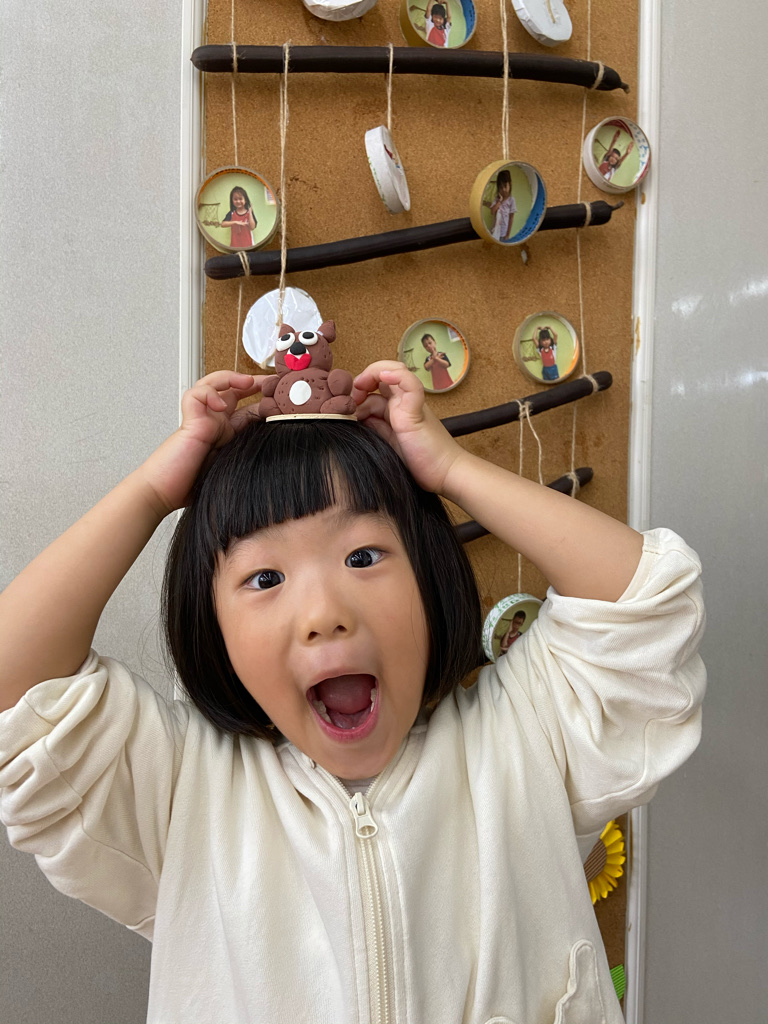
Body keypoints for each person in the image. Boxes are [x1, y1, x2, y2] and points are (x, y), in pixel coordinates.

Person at [0, 361, 706, 1024]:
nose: (324, 613)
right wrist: (152, 493)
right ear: (211, 624)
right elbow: (17, 690)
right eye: (265, 578)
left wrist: (452, 469)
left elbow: (645, 599)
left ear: (429, 577)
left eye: (363, 556)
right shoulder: (180, 791)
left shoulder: (527, 735)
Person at [483, 167, 517, 242]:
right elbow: (492, 212)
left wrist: (508, 234)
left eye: (505, 186)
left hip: (503, 233)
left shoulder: (511, 200)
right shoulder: (497, 199)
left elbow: (511, 218)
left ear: (510, 184)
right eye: (501, 187)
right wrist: (499, 202)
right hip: (494, 231)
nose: (503, 190)